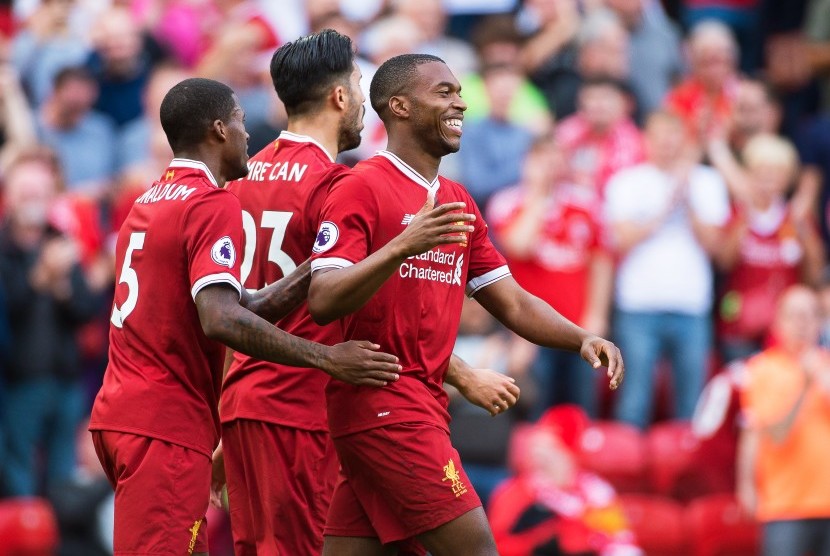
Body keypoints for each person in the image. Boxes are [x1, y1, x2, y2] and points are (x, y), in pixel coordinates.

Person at [307, 53, 624, 556]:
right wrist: (401, 247)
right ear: (400, 107)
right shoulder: (360, 187)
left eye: (459, 92)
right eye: (445, 93)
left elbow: (512, 303)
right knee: (476, 548)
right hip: (385, 402)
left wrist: (581, 336)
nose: (461, 103)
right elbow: (322, 298)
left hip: (418, 403)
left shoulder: (456, 199)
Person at [218, 30, 520, 556]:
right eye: (359, 86)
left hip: (245, 402)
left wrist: (226, 414)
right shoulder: (342, 185)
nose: (365, 102)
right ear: (340, 98)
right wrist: (465, 375)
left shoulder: (243, 177)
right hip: (305, 404)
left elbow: (234, 309)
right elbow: (360, 297)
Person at [88, 77, 403, 556]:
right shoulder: (210, 203)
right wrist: (325, 358)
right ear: (218, 130)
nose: (248, 134)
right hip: (165, 424)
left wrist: (325, 263)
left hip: (125, 414)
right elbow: (222, 320)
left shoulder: (148, 201)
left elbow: (243, 307)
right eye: (238, 120)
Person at [605, 110, 729, 429]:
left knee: (692, 401)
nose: (666, 145)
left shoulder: (706, 181)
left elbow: (716, 246)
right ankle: (628, 467)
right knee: (634, 398)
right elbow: (620, 239)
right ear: (647, 141)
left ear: (683, 140)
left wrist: (687, 202)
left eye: (673, 138)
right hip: (638, 304)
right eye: (659, 138)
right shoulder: (626, 181)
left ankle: (686, 470)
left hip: (691, 304)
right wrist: (663, 209)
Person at [488, 134, 613, 418]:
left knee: (581, 407)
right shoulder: (507, 202)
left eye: (555, 157)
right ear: (528, 163)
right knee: (536, 410)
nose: (550, 165)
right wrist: (539, 197)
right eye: (542, 158)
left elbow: (601, 261)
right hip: (531, 330)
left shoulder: (586, 204)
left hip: (578, 326)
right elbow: (519, 244)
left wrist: (597, 315)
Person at [0, 147, 101, 497]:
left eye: (41, 194)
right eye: (27, 193)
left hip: (65, 379)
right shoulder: (4, 248)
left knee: (63, 483)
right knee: (19, 477)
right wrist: (39, 278)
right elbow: (8, 308)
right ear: (10, 195)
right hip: (18, 382)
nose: (34, 202)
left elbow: (86, 309)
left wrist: (63, 288)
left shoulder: (60, 241)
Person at [708, 133, 825, 362]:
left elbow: (814, 274)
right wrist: (743, 219)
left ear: (787, 179)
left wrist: (804, 230)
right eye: (761, 173)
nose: (767, 181)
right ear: (749, 174)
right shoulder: (737, 213)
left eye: (775, 175)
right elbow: (724, 261)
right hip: (738, 326)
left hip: (785, 331)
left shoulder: (797, 219)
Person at [737, 285, 830, 556]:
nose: (802, 324)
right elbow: (775, 433)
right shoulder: (762, 369)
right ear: (778, 323)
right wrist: (804, 386)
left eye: (810, 316)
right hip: (785, 505)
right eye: (794, 316)